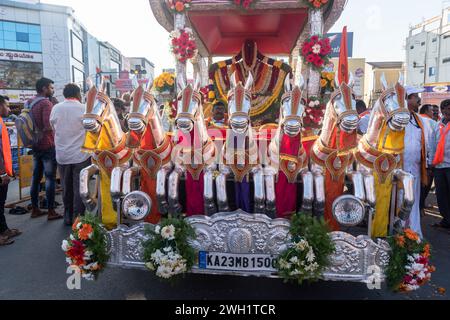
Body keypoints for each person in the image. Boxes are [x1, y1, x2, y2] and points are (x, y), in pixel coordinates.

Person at [50, 84, 91, 226]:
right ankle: (78, 217)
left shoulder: (56, 108)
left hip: (62, 154)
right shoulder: (84, 108)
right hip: (81, 155)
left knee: (66, 186)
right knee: (80, 187)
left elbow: (53, 128)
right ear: (78, 94)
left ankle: (67, 214)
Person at [29, 77, 63, 221]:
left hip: (35, 144)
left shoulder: (31, 102)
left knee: (36, 178)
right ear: (44, 88)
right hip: (47, 145)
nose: (52, 90)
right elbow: (48, 125)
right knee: (49, 178)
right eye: (50, 87)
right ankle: (50, 211)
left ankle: (35, 208)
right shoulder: (45, 103)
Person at [403, 87, 430, 238]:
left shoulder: (418, 119)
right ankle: (400, 234)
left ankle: (413, 233)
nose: (419, 100)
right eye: (416, 97)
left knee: (413, 201)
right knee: (402, 202)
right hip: (401, 170)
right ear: (407, 99)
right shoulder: (397, 118)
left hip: (415, 168)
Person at [0, 95, 22, 246]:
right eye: (6, 106)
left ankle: (4, 230)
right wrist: (2, 173)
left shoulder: (1, 121)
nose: (9, 109)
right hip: (0, 172)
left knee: (0, 204)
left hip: (4, 170)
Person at [431, 99, 450, 231]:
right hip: (438, 166)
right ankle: (446, 220)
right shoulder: (437, 126)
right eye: (445, 109)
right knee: (441, 195)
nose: (448, 111)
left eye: (449, 109)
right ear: (442, 110)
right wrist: (430, 163)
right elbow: (432, 145)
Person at [419, 104, 439, 215]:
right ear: (426, 111)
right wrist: (432, 161)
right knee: (425, 184)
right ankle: (420, 207)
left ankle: (419, 206)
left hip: (416, 158)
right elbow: (434, 143)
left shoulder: (415, 119)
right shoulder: (433, 123)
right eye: (432, 110)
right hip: (427, 159)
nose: (434, 112)